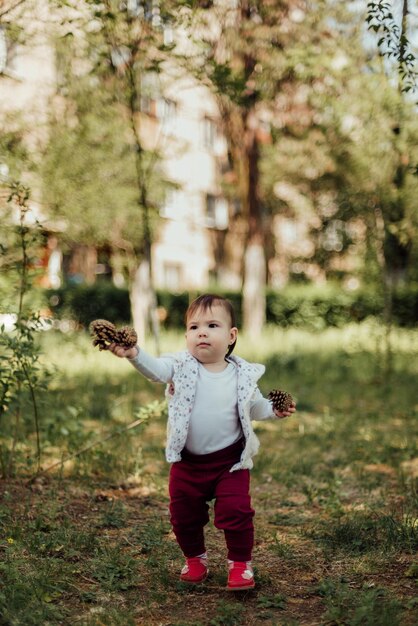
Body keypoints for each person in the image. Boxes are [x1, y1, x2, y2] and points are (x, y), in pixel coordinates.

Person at [108, 293, 296, 590]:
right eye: (194, 327)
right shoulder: (180, 365)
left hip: (229, 462)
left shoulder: (242, 374)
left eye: (212, 325)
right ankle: (195, 559)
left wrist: (273, 410)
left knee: (236, 512)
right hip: (188, 463)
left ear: (231, 335)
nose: (202, 332)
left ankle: (240, 564)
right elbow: (157, 371)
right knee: (183, 516)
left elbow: (255, 406)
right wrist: (134, 354)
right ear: (186, 336)